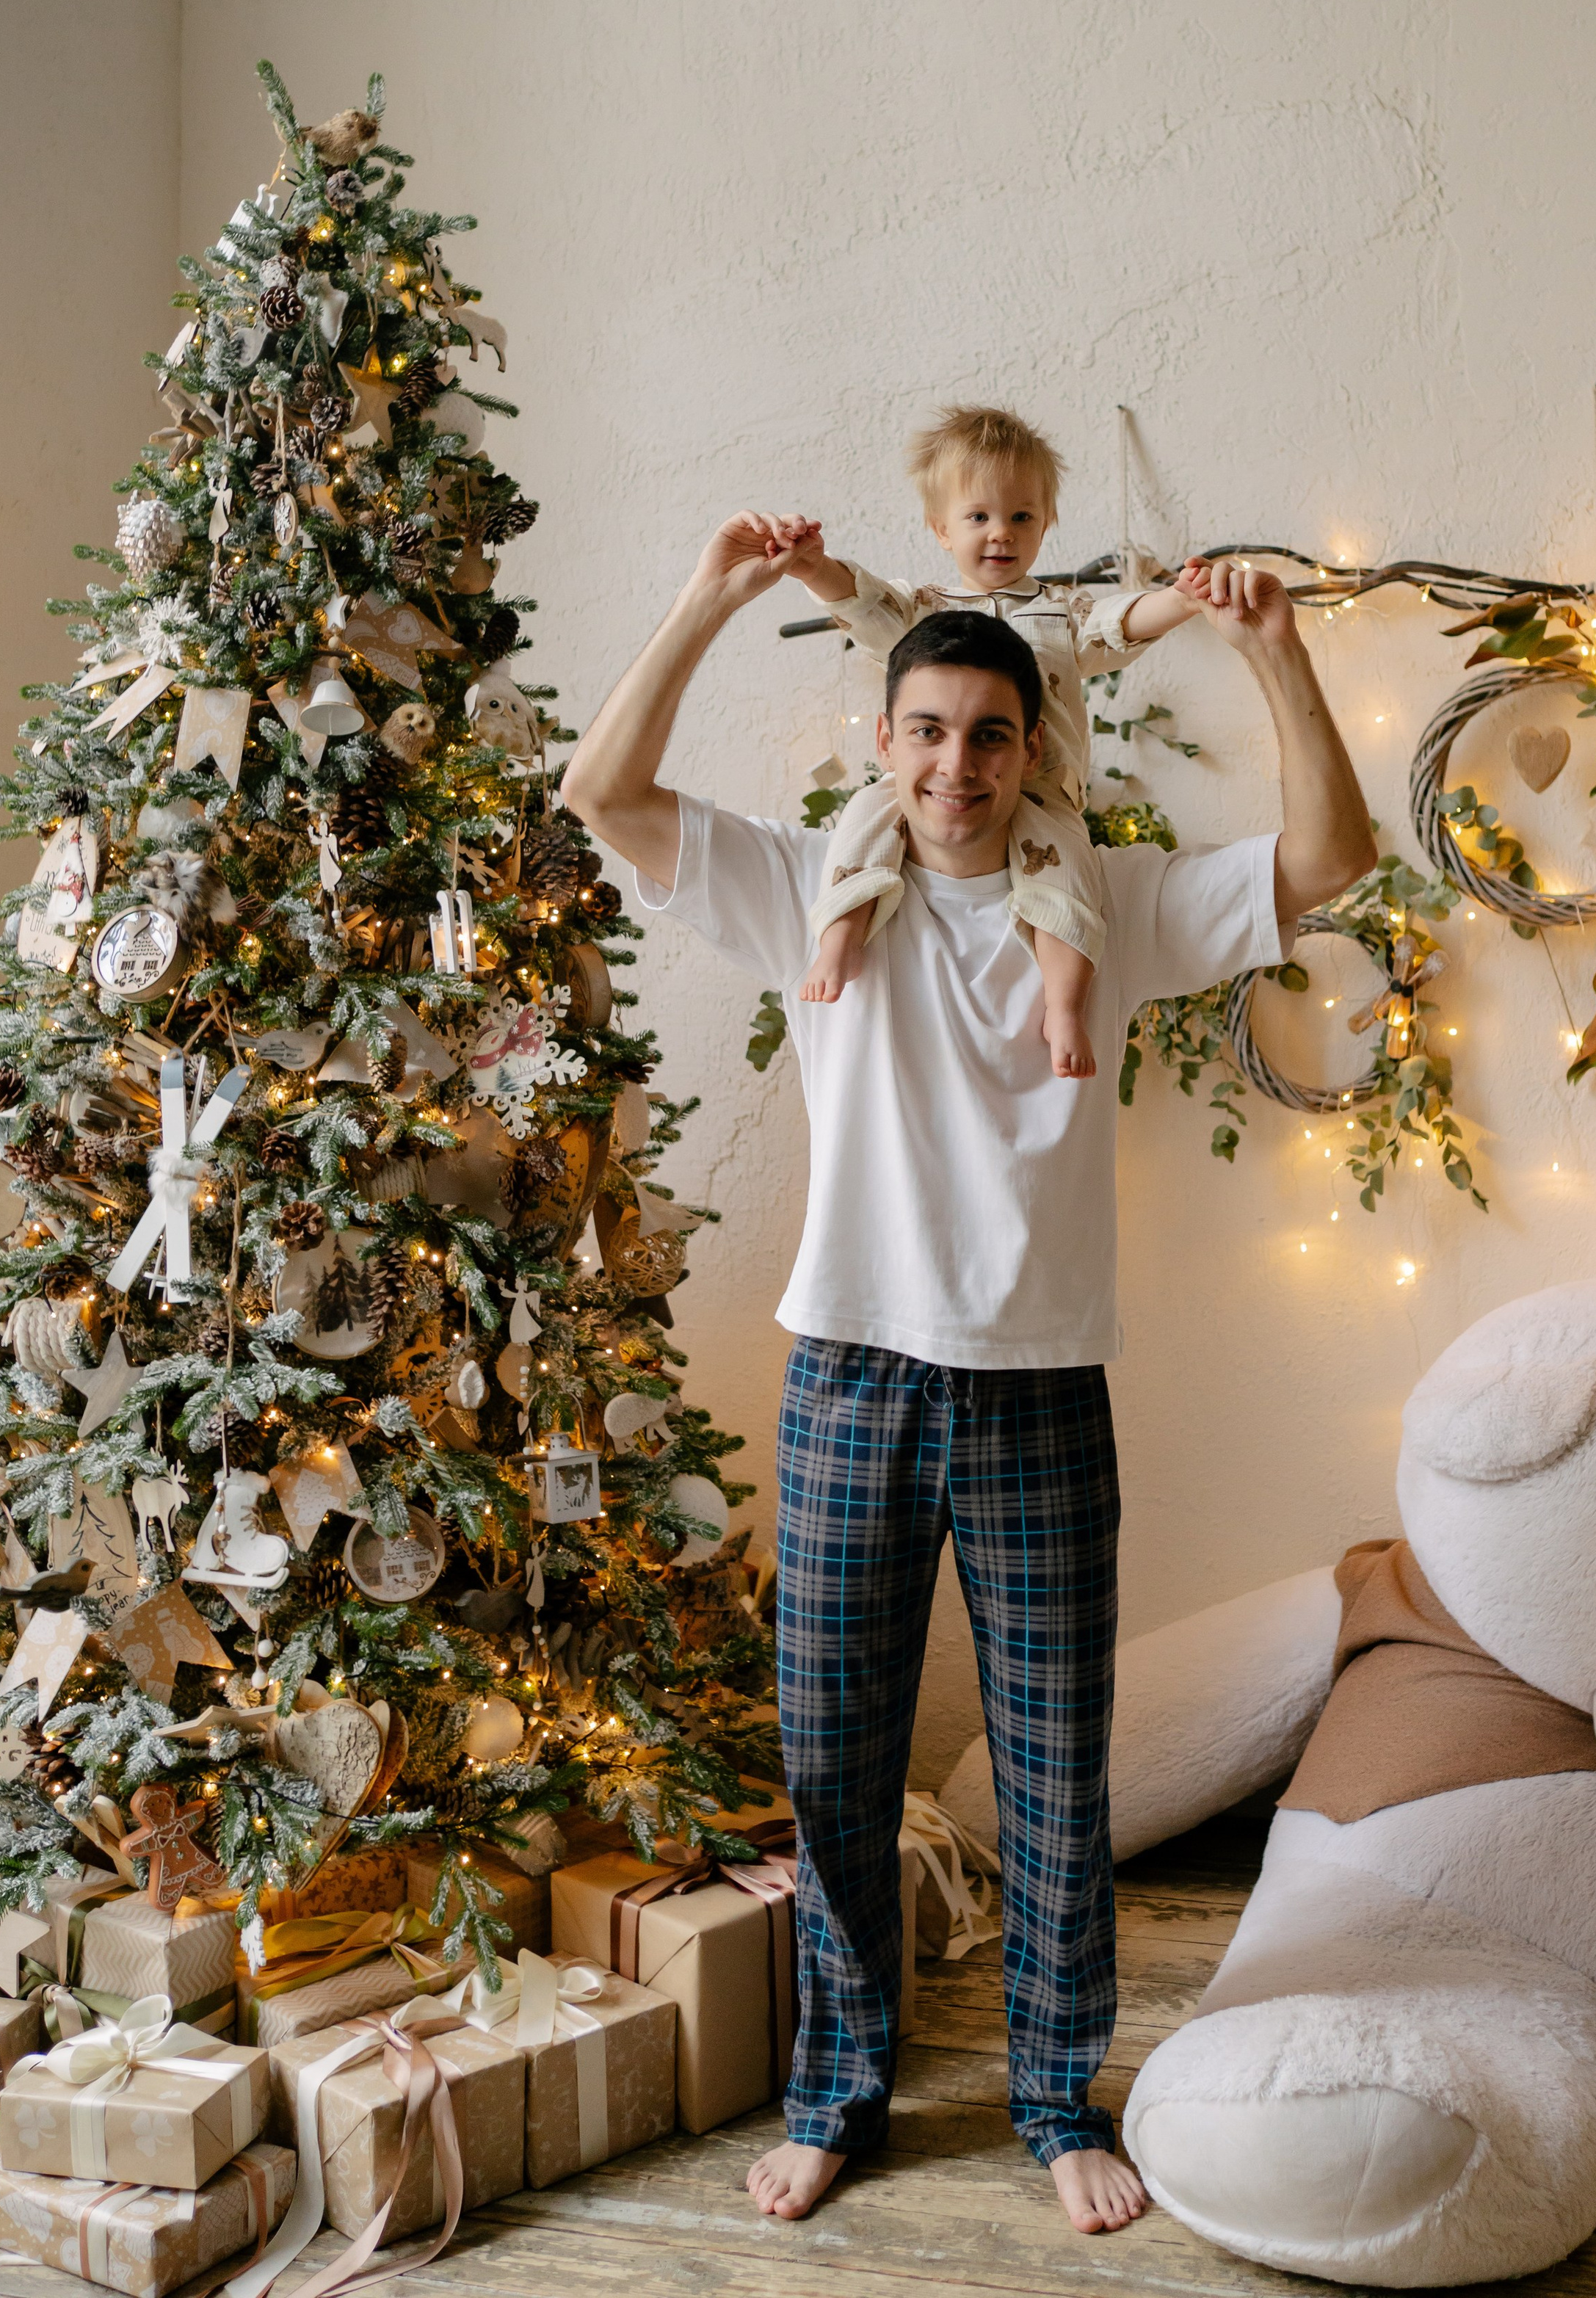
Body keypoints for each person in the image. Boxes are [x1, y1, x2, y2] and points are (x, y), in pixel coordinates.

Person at [560, 512, 1374, 2237]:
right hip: (849, 1375)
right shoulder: (811, 880)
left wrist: (1275, 651)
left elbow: (1327, 859)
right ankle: (839, 2090)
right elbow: (603, 793)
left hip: (1035, 1388)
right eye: (923, 729)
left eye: (988, 734)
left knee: (1051, 1762)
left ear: (1031, 748)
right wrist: (708, 593)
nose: (953, 765)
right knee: (835, 1756)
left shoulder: (1112, 897)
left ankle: (1050, 2094)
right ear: (883, 739)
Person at [791, 404, 1202, 1079]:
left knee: (1074, 880)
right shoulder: (924, 609)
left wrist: (1182, 601)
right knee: (866, 814)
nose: (1000, 534)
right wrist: (811, 567)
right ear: (940, 527)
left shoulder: (1060, 613)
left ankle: (1065, 1003)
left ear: (1047, 523)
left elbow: (1118, 623)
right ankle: (839, 939)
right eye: (979, 517)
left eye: (1021, 517)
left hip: (1039, 796)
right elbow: (861, 600)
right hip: (947, 799)